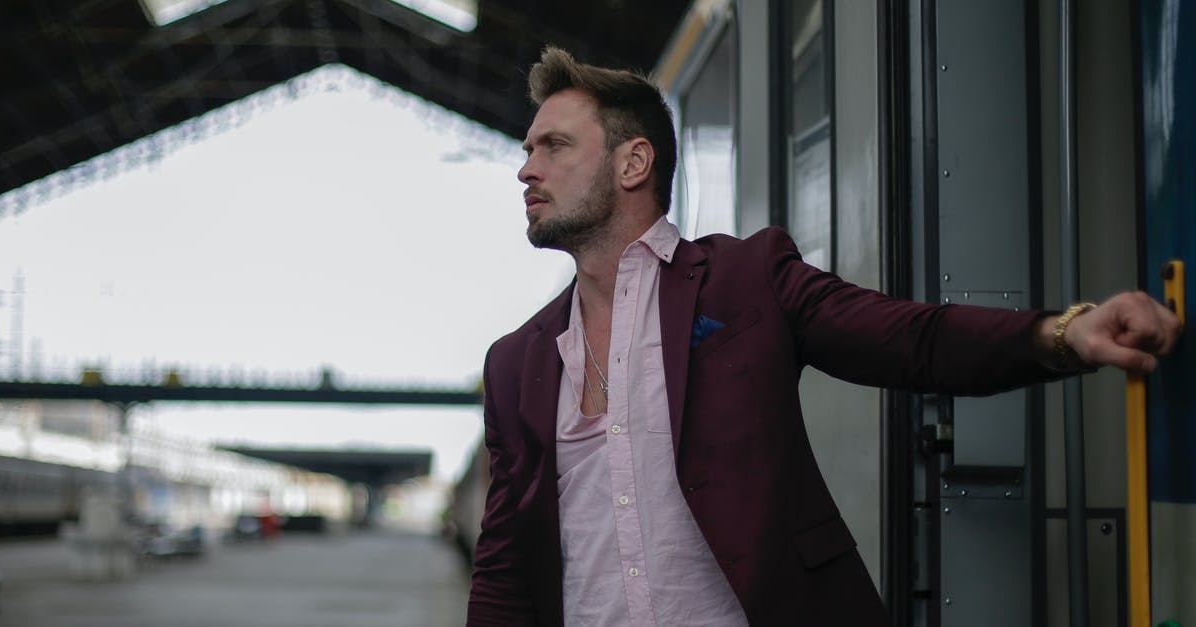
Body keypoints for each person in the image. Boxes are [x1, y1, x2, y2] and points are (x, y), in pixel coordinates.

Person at [466, 47, 1183, 626]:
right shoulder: (516, 364)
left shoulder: (744, 281)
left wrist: (1063, 331)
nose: (526, 168)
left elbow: (910, 338)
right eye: (529, 149)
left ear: (634, 162)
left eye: (554, 146)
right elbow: (504, 567)